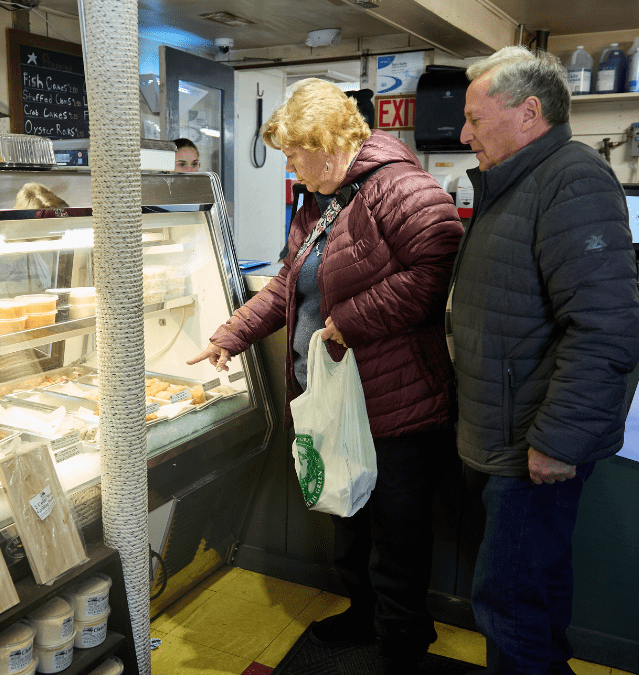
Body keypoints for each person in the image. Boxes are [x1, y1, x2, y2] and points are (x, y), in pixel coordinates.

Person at [187, 78, 463, 670]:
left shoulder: (397, 184)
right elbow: (290, 282)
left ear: (326, 143)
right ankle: (363, 615)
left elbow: (438, 260)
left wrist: (352, 319)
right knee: (349, 520)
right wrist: (231, 335)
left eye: (293, 152)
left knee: (396, 535)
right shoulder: (319, 200)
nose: (289, 165)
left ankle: (403, 645)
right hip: (338, 400)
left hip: (394, 400)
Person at [450, 47, 639, 674]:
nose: (463, 133)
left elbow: (604, 328)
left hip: (531, 447)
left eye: (476, 118)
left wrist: (557, 441)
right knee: (527, 598)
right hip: (502, 435)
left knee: (511, 610)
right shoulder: (514, 183)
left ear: (528, 113)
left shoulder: (572, 179)